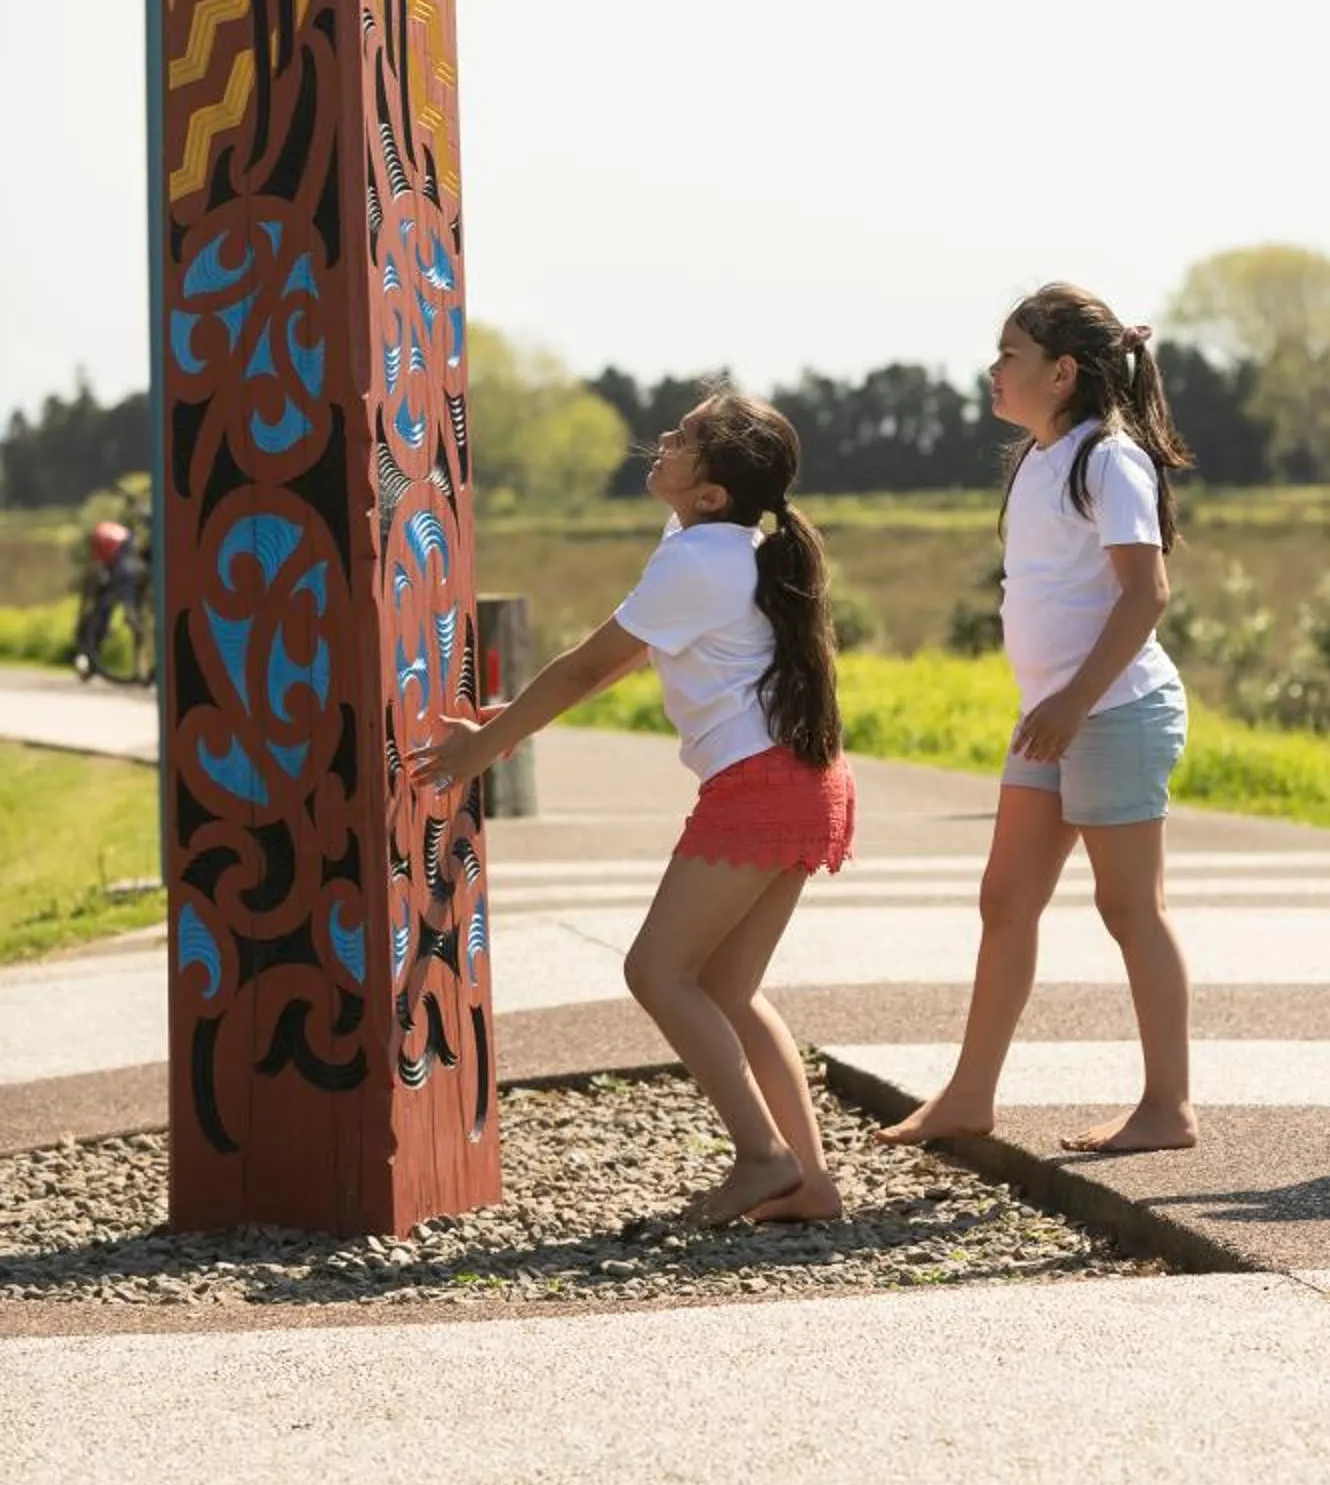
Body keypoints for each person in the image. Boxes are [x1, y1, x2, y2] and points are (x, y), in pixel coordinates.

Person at [417, 391, 855, 1223]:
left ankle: (764, 1159)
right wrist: (500, 726)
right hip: (812, 780)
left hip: (760, 786)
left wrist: (484, 745)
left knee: (655, 971)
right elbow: (627, 657)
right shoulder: (722, 544)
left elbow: (587, 666)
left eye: (687, 438)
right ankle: (813, 1184)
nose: (666, 438)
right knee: (728, 986)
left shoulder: (699, 561)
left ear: (712, 492)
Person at [879, 284, 1197, 1157]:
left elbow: (1147, 595)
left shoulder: (1110, 458)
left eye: (1009, 353)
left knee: (1130, 907)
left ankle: (1167, 1108)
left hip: (1113, 711)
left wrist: (1070, 702)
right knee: (1005, 899)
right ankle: (969, 1096)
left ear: (1061, 373)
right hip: (1054, 717)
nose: (994, 368)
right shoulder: (1037, 457)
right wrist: (1050, 706)